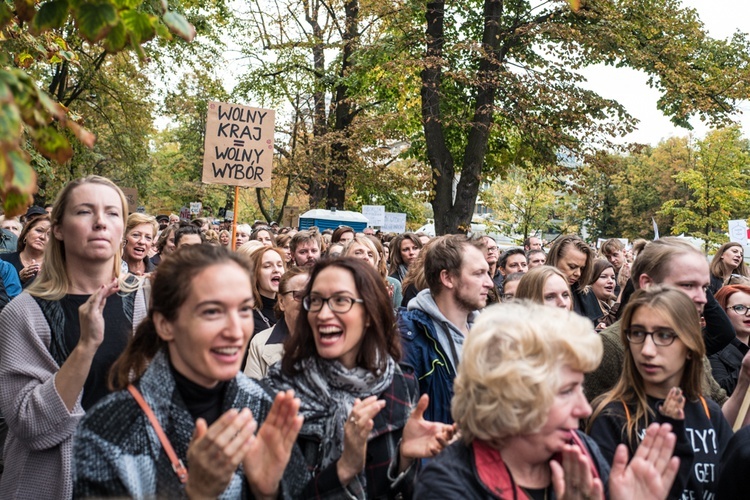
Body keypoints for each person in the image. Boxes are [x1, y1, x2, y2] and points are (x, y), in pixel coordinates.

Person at [73, 244, 307, 498]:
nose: (235, 330)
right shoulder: (107, 428)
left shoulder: (266, 406)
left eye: (243, 310)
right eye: (212, 312)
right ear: (165, 324)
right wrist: (196, 493)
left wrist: (268, 492)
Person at [416, 302, 680, 500]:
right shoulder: (448, 485)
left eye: (580, 388)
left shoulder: (581, 450)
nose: (585, 408)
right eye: (567, 391)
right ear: (510, 397)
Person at [0, 176, 147, 499]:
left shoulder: (139, 301)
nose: (100, 222)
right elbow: (29, 424)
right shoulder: (23, 313)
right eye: (84, 212)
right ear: (58, 229)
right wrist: (85, 348)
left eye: (112, 213)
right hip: (50, 483)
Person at [264, 258, 454, 498]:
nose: (323, 314)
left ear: (369, 313)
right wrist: (344, 468)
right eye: (315, 301)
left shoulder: (398, 383)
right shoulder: (280, 388)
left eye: (340, 301)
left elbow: (398, 491)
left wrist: (404, 461)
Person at [588, 286, 732, 499]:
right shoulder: (612, 416)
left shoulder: (710, 413)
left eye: (664, 335)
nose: (646, 349)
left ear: (690, 345)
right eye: (637, 333)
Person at [584, 238, 745, 426]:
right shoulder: (610, 346)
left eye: (705, 288)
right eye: (687, 285)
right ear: (648, 284)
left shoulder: (688, 342)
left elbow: (719, 416)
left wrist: (745, 381)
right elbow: (588, 432)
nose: (703, 299)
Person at [397, 235, 493, 423]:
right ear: (447, 278)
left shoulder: (488, 334)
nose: (489, 282)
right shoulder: (409, 339)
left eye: (488, 273)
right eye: (478, 273)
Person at [245, 267, 310, 379]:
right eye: (299, 296)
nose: (306, 302)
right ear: (281, 302)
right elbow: (250, 393)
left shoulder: (330, 340)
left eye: (312, 296)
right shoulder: (260, 343)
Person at [547, 235, 602, 322]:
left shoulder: (586, 293)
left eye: (582, 269)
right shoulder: (534, 288)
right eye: (572, 267)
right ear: (555, 259)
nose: (578, 274)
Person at [709, 284, 750, 395]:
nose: (749, 313)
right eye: (740, 308)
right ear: (722, 312)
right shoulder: (712, 351)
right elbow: (720, 393)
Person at [343, 235, 402, 309]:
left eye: (370, 255)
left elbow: (398, 318)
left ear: (377, 261)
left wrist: (384, 306)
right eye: (358, 253)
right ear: (345, 257)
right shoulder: (333, 285)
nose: (366, 257)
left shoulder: (389, 286)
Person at [1, 213, 50, 287]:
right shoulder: (3, 261)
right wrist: (18, 279)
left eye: (50, 235)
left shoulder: (58, 268)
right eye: (39, 230)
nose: (42, 237)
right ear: (26, 233)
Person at [248, 246, 287, 337]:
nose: (276, 270)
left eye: (280, 265)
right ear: (255, 274)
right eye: (267, 266)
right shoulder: (247, 315)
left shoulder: (290, 307)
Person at [589, 259, 624, 329]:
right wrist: (623, 287)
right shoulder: (588, 308)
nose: (610, 281)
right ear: (590, 280)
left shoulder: (609, 305)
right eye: (603, 277)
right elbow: (610, 326)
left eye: (613, 277)